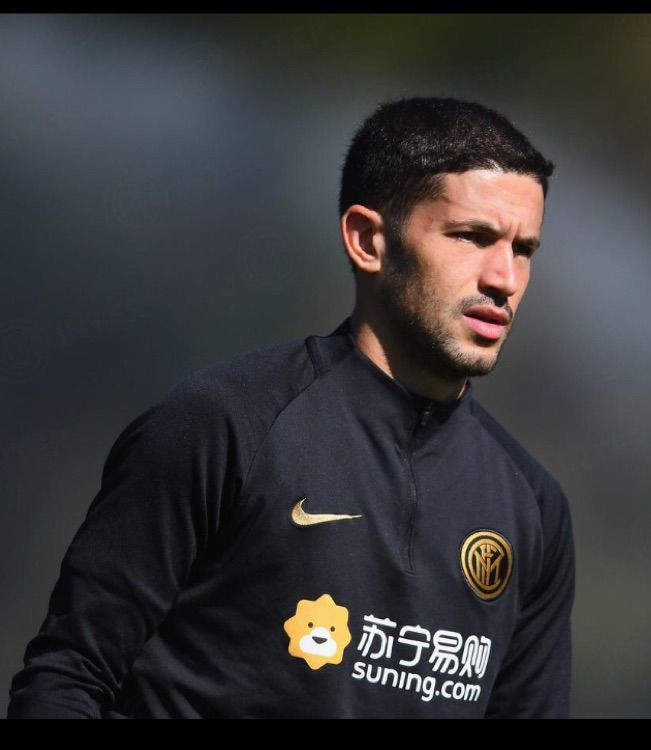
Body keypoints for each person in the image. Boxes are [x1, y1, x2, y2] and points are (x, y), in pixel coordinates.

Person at [7, 97, 575, 719]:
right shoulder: (224, 424)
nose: (505, 278)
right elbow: (68, 679)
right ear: (367, 239)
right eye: (472, 237)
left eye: (524, 249)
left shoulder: (533, 507)